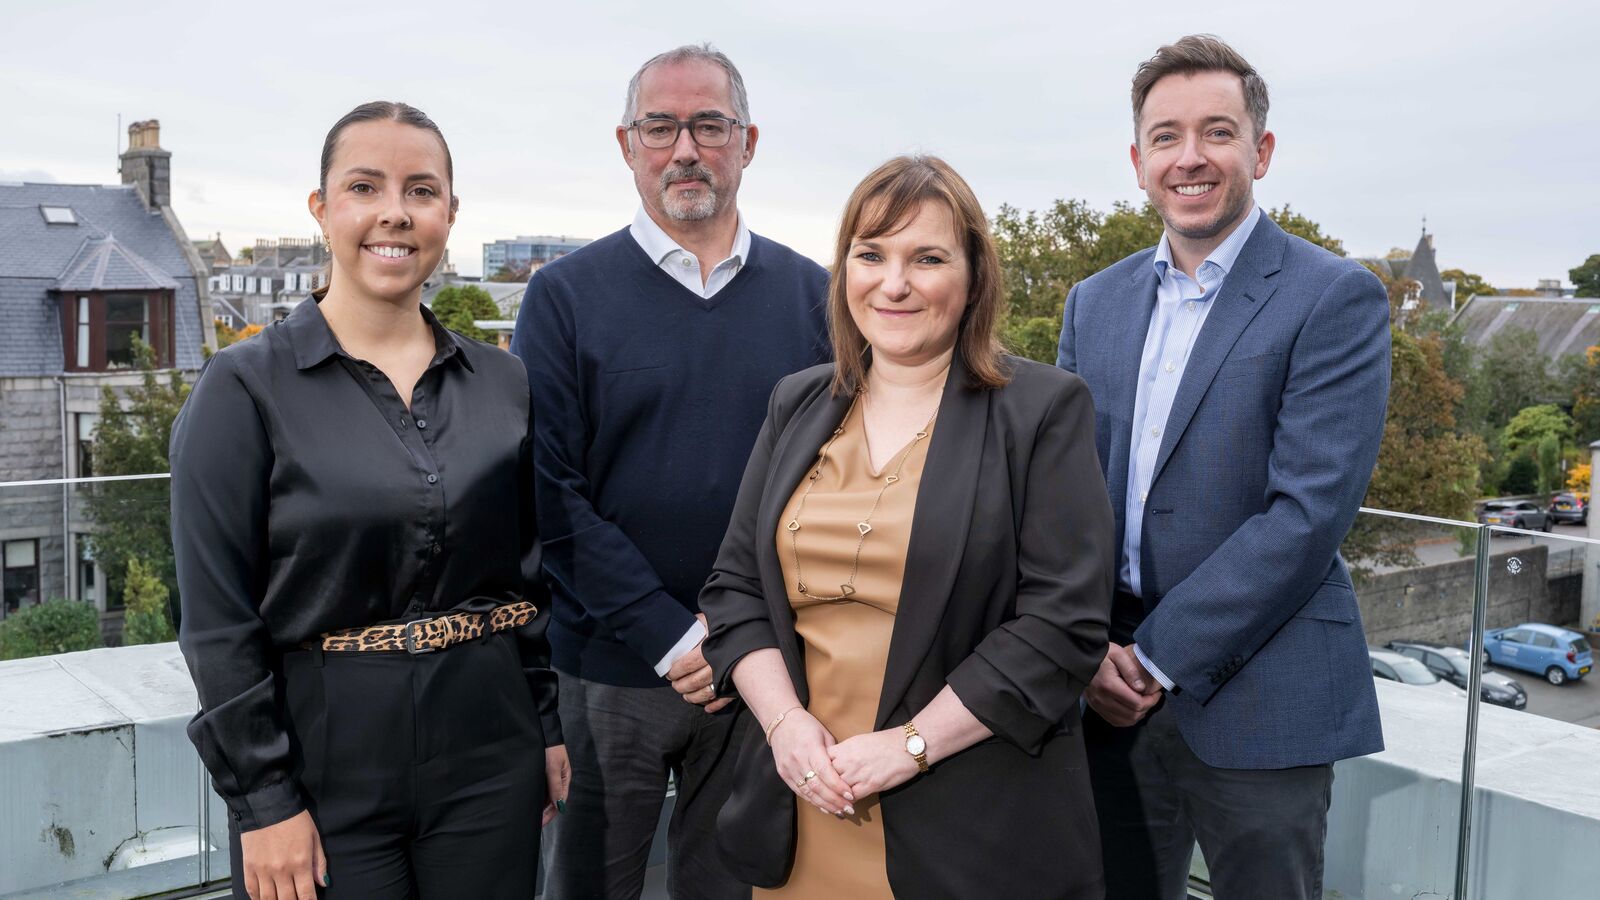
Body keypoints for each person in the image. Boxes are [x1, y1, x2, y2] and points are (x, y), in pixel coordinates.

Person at [171, 101, 567, 900]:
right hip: (322, 766)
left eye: (421, 190)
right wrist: (264, 802)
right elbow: (216, 622)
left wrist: (546, 727)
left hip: (492, 753)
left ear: (450, 213)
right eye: (364, 187)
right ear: (321, 210)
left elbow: (525, 581)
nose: (395, 212)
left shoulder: (505, 384)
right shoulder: (243, 388)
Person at [699, 155, 1115, 899]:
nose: (893, 284)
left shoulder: (1043, 410)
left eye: (927, 258)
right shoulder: (796, 403)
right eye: (871, 255)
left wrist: (909, 747)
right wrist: (785, 725)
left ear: (974, 278)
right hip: (803, 796)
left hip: (967, 820)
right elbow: (734, 590)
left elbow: (1063, 625)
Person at [1056, 35, 1391, 899]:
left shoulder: (1334, 296)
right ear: (1138, 162)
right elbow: (1061, 500)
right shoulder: (1093, 303)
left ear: (1260, 151)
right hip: (1104, 690)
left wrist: (1155, 657)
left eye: (1217, 131)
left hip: (1263, 693)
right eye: (1165, 136)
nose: (1190, 157)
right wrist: (1087, 651)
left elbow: (1306, 516)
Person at [511, 44, 830, 900]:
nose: (685, 149)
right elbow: (548, 492)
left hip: (760, 670)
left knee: (730, 888)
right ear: (628, 145)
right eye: (660, 127)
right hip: (608, 670)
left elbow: (832, 485)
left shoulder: (815, 297)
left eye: (709, 126)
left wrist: (737, 634)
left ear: (748, 142)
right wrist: (669, 634)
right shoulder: (563, 297)